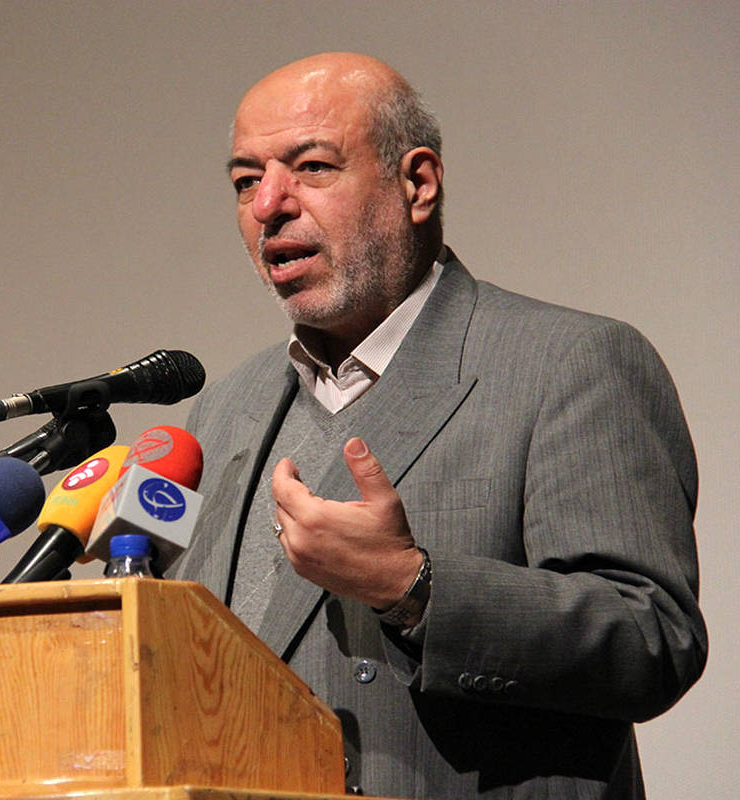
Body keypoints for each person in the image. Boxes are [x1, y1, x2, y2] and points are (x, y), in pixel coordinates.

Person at [170, 52, 706, 798]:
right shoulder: (227, 407)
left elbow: (652, 638)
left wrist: (411, 586)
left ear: (417, 184)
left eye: (312, 167)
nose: (268, 205)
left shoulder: (568, 362)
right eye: (245, 180)